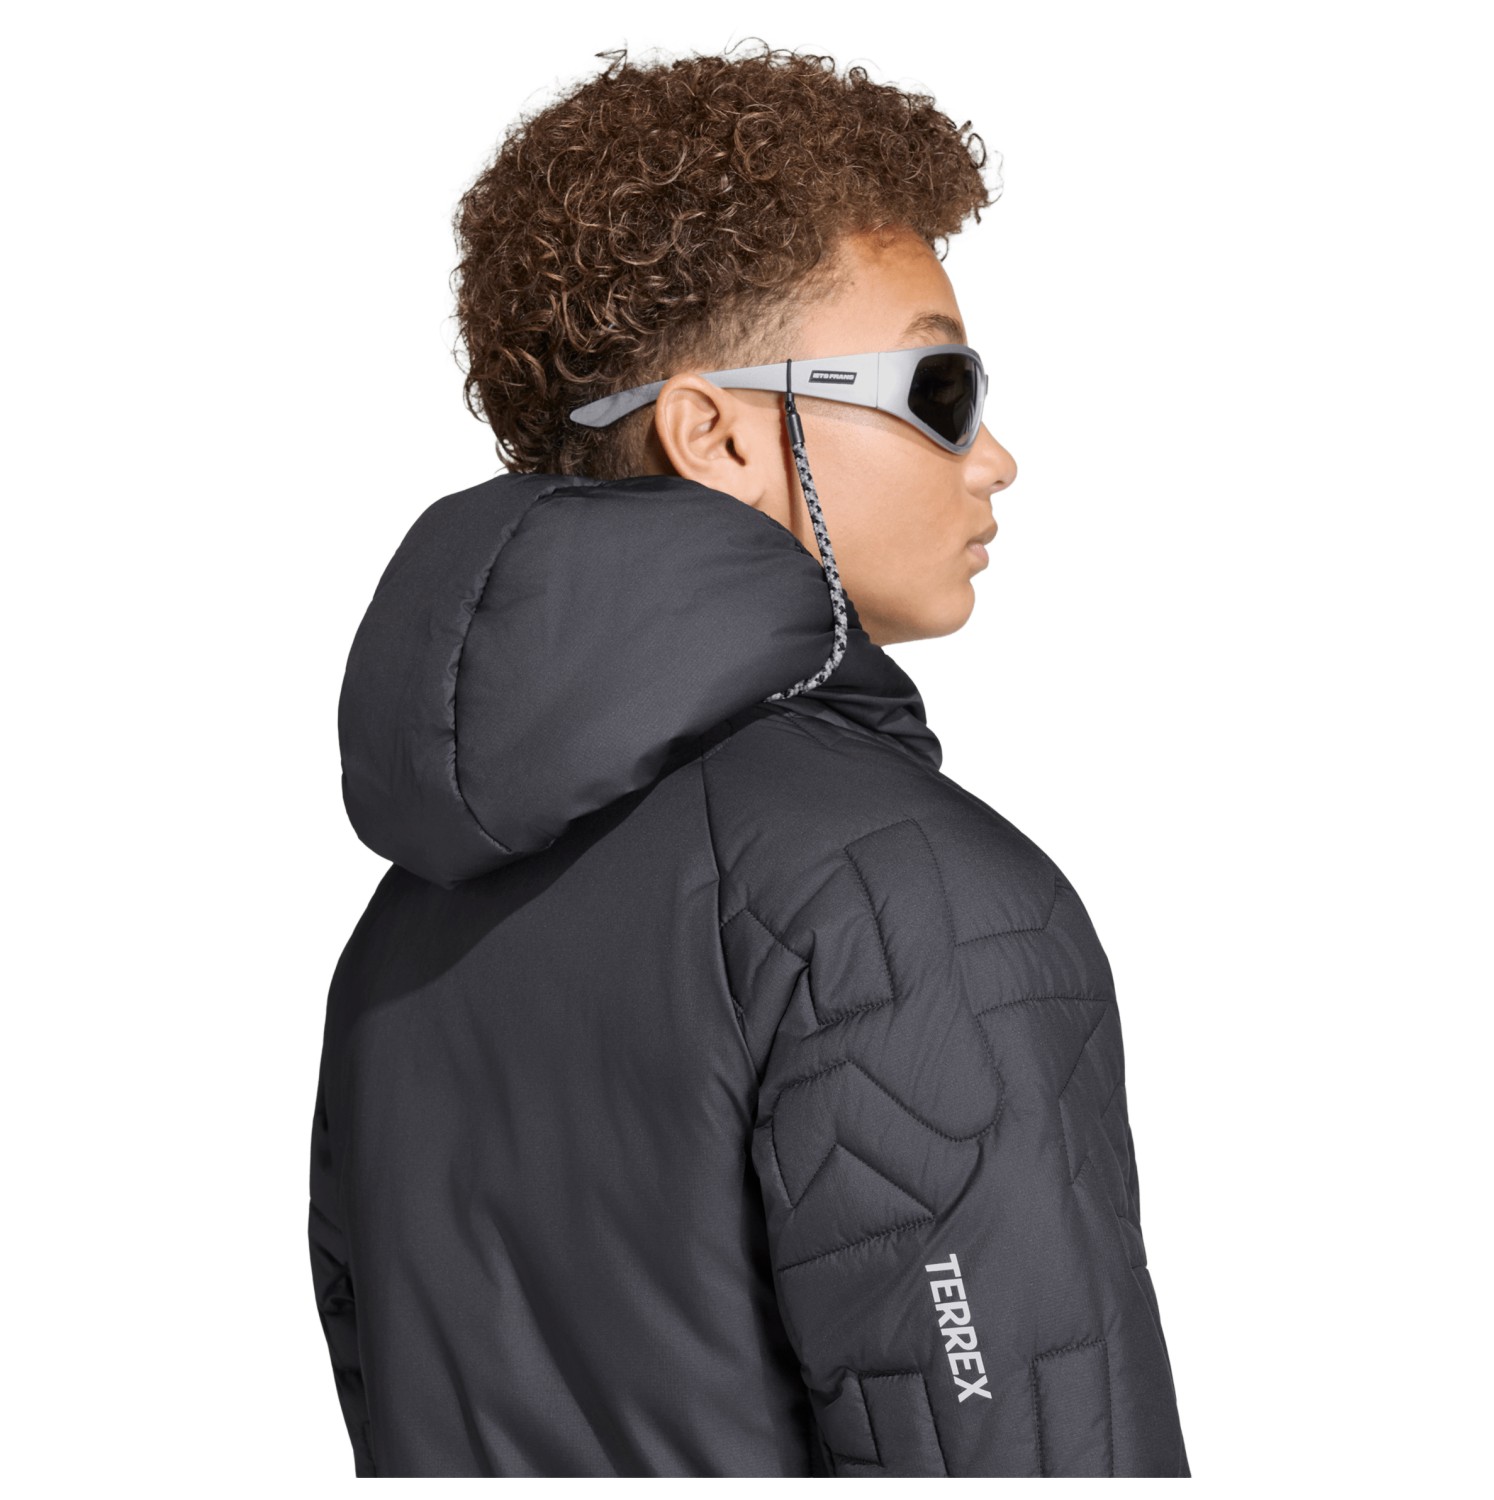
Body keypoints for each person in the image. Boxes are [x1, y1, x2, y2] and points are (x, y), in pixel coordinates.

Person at [309, 40, 1190, 1478]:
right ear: (714, 432)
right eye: (943, 387)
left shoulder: (409, 926)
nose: (994, 456)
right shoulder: (906, 898)